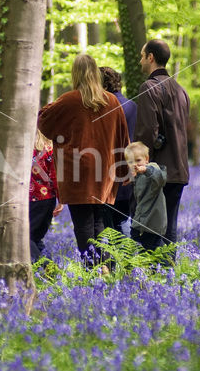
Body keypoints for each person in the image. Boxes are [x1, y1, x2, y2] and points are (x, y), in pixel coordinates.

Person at [38, 54, 130, 265]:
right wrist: (123, 172)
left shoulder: (69, 100)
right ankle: (104, 266)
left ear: (75, 74)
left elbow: (43, 119)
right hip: (104, 171)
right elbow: (123, 138)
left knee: (83, 223)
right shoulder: (112, 100)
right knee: (99, 220)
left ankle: (92, 268)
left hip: (77, 172)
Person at [134, 39, 190, 261]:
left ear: (151, 57)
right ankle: (168, 277)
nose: (140, 60)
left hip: (157, 171)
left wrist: (139, 163)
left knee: (149, 227)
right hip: (179, 170)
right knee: (169, 229)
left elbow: (147, 131)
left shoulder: (149, 88)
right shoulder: (181, 91)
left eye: (142, 55)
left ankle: (153, 276)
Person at [99, 66, 137, 233]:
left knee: (111, 225)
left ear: (104, 86)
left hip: (108, 170)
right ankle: (126, 256)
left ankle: (116, 258)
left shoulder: (104, 107)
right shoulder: (133, 106)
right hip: (130, 168)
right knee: (123, 218)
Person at [124, 142, 167, 252]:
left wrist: (146, 170)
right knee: (137, 250)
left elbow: (161, 177)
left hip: (152, 224)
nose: (135, 164)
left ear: (146, 159)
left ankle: (166, 267)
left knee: (154, 251)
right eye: (130, 162)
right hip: (139, 222)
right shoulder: (136, 176)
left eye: (138, 160)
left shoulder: (152, 168)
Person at [29, 129, 64, 262]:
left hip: (31, 199)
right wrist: (61, 199)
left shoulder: (25, 150)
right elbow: (56, 176)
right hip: (48, 199)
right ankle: (51, 269)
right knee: (35, 238)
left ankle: (42, 266)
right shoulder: (50, 149)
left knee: (26, 237)